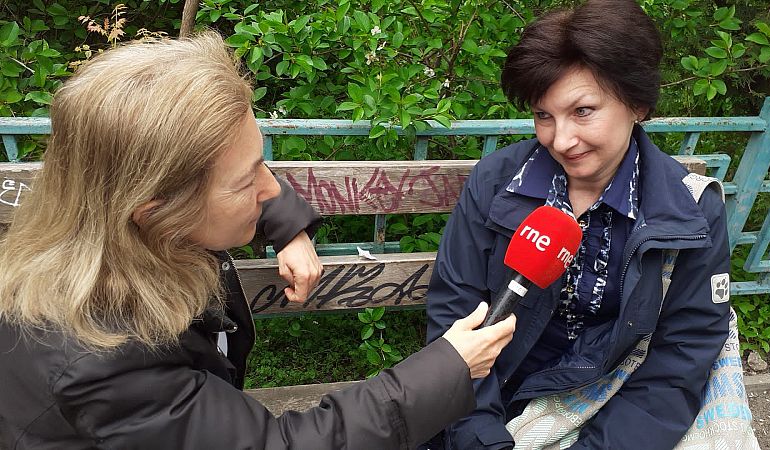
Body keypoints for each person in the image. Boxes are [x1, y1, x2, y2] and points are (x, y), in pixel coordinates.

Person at [0, 32, 516, 449]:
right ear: (158, 213)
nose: (271, 188)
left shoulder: (105, 218)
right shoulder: (105, 361)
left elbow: (234, 178)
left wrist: (289, 229)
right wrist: (448, 367)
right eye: (248, 183)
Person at [424, 0, 731, 448]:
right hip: (487, 403)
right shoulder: (498, 182)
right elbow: (455, 313)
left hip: (611, 410)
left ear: (638, 104)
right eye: (543, 115)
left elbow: (677, 363)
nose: (560, 140)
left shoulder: (690, 212)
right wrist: (483, 440)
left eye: (583, 111)